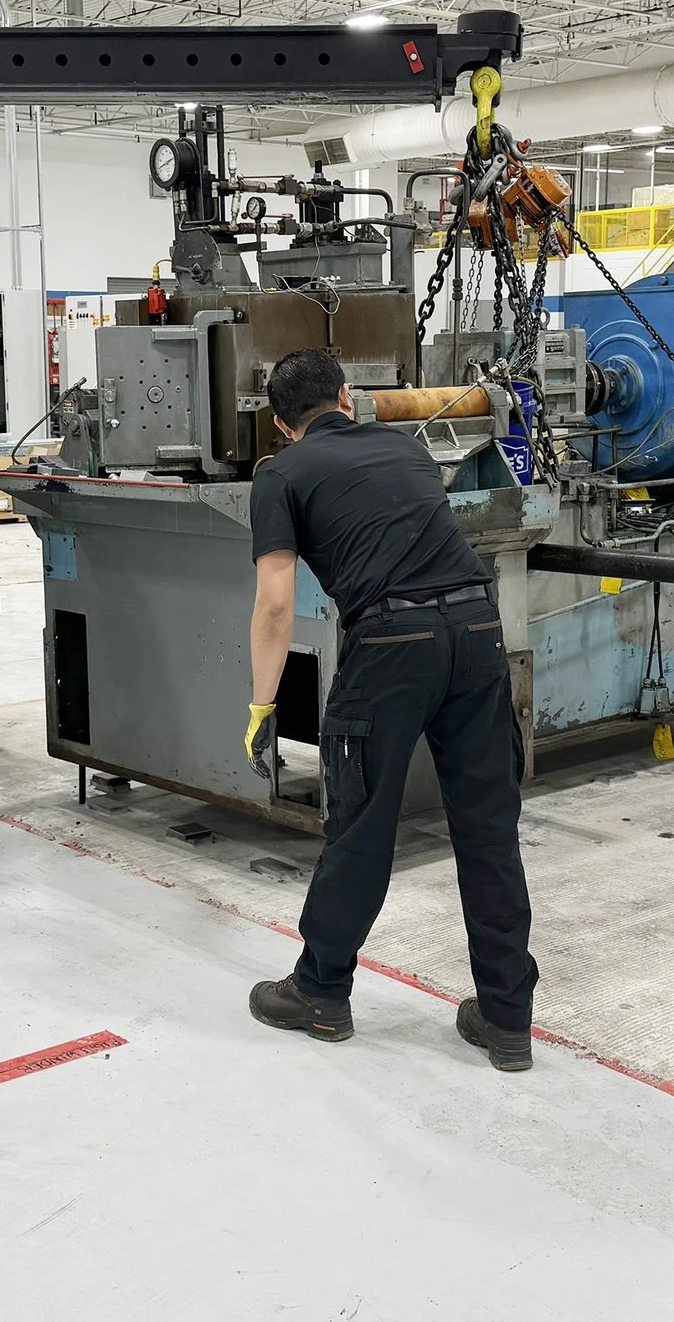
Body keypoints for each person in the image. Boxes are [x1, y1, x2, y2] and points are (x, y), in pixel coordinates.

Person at [241, 348, 539, 1070]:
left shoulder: (280, 473)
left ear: (283, 425)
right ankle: (506, 1019)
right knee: (488, 828)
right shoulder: (405, 448)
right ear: (349, 398)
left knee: (365, 822)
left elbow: (277, 602)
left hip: (392, 640)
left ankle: (320, 990)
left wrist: (261, 704)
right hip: (475, 627)